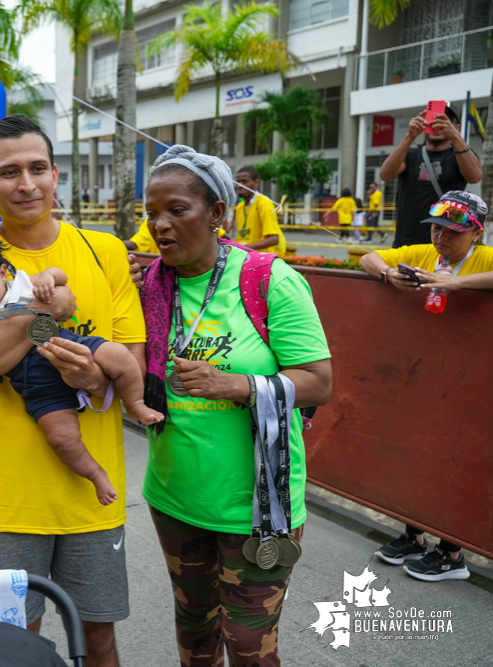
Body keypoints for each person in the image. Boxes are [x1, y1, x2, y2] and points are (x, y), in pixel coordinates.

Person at [0, 115, 142, 667]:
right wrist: (38, 315)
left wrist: (94, 379)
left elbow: (132, 360)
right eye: (8, 172)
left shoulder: (105, 253)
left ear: (55, 174)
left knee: (98, 638)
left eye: (37, 168)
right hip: (2, 499)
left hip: (91, 496)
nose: (26, 184)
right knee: (12, 646)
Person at [141, 145, 332, 665]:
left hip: (257, 507)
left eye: (177, 210)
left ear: (218, 213)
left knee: (249, 645)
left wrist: (238, 385)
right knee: (194, 629)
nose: (160, 225)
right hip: (174, 498)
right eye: (151, 212)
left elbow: (317, 382)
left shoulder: (269, 281)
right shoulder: (149, 288)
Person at [0, 232, 162, 506]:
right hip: (39, 386)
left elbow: (58, 277)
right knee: (61, 438)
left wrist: (47, 277)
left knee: (118, 354)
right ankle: (96, 475)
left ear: (2, 273)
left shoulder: (20, 287)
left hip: (70, 346)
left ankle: (136, 403)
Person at [359, 190, 491, 581]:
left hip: (470, 381)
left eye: (451, 231)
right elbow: (369, 256)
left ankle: (451, 553)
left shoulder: (482, 259)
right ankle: (413, 536)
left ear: (476, 234)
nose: (440, 237)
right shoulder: (423, 253)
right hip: (423, 375)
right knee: (416, 448)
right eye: (436, 228)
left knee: (457, 455)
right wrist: (387, 274)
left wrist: (457, 284)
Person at [380, 101, 482, 249]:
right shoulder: (411, 154)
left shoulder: (461, 156)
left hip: (446, 242)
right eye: (432, 120)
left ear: (456, 127)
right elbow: (385, 175)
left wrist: (455, 137)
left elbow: (475, 177)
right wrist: (410, 136)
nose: (436, 126)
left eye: (443, 121)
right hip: (407, 241)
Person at [233, 165, 286, 256]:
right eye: (238, 182)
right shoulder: (239, 206)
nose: (239, 185)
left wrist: (246, 247)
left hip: (263, 260)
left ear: (256, 183)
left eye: (245, 182)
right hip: (245, 257)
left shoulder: (264, 203)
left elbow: (274, 239)